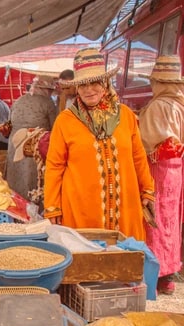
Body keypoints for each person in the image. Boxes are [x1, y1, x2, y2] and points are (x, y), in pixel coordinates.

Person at [44, 48, 155, 240]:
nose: (88, 90)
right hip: (81, 209)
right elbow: (55, 165)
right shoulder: (65, 120)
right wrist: (53, 207)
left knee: (124, 262)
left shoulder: (126, 115)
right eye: (82, 84)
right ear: (76, 87)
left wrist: (147, 189)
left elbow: (138, 156)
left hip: (126, 207)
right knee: (87, 262)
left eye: (94, 82)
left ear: (105, 83)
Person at [139, 55, 184, 295]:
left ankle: (156, 275)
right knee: (170, 222)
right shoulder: (181, 104)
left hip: (157, 169)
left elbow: (145, 140)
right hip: (176, 170)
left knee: (154, 220)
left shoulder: (159, 106)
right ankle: (169, 275)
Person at [6, 77, 57, 198]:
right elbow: (56, 126)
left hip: (15, 142)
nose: (50, 93)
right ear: (42, 89)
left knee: (16, 177)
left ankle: (17, 207)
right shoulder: (48, 103)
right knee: (33, 180)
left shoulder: (18, 100)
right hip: (34, 144)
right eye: (49, 90)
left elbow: (9, 123)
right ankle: (33, 209)